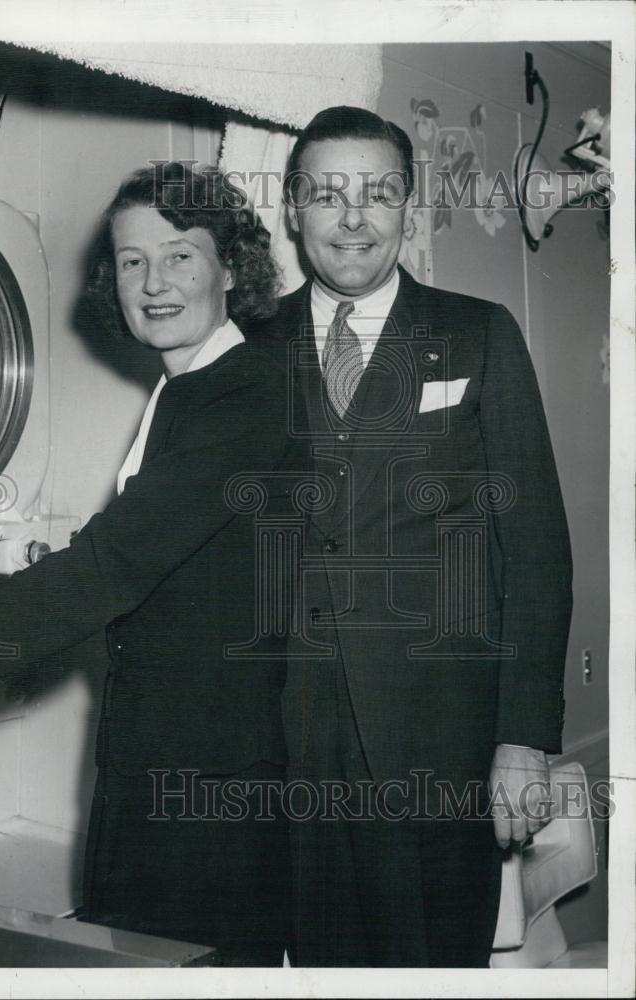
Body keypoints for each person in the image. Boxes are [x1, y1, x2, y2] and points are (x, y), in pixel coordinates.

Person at [0, 162, 309, 966]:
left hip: (215, 783)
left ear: (232, 268)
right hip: (155, 759)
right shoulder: (185, 391)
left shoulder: (247, 396)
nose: (153, 281)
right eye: (133, 261)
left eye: (180, 255)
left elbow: (108, 569)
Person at [251, 106, 573, 967]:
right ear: (291, 210)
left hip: (444, 742)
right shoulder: (247, 345)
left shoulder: (479, 332)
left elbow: (535, 549)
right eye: (327, 194)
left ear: (408, 208)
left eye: (378, 193)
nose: (353, 218)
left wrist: (524, 738)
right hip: (289, 742)